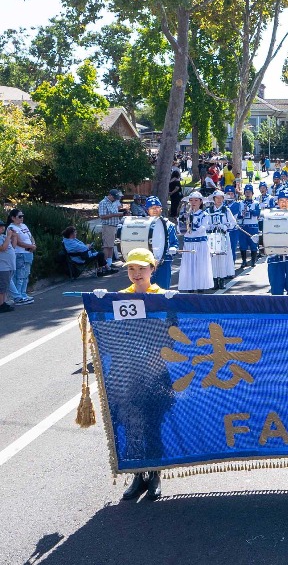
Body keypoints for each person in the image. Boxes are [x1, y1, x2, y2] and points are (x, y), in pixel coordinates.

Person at [110, 247, 168, 500]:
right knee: (132, 424)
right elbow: (111, 334)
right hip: (128, 373)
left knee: (153, 423)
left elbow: (172, 337)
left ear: (152, 269)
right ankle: (137, 475)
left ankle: (154, 474)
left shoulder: (164, 297)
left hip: (156, 373)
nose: (136, 273)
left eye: (141, 268)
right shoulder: (119, 298)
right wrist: (98, 304)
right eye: (131, 269)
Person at [178, 191, 214, 293]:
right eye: (191, 200)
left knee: (200, 265)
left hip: (200, 243)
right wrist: (183, 223)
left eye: (196, 200)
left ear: (200, 202)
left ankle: (200, 285)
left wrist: (192, 222)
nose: (193, 202)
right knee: (189, 265)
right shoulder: (184, 214)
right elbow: (180, 229)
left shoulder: (204, 214)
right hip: (188, 243)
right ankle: (190, 285)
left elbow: (203, 228)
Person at [144, 196, 179, 289]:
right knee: (145, 290)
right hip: (146, 262)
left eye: (157, 207)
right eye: (152, 208)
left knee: (163, 290)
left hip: (164, 261)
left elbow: (174, 242)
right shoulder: (143, 224)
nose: (154, 210)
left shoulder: (169, 225)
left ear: (161, 209)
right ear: (148, 210)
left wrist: (173, 248)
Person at [206, 190, 237, 289]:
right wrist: (210, 227)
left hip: (223, 236)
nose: (219, 200)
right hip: (212, 237)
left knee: (223, 258)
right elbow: (205, 224)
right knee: (213, 258)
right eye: (217, 198)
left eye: (221, 198)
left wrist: (225, 226)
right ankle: (214, 280)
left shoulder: (226, 210)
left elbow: (233, 222)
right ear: (213, 199)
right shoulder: (208, 211)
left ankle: (222, 280)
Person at [6, 208, 37, 305]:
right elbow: (18, 242)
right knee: (19, 276)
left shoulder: (23, 225)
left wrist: (33, 244)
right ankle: (18, 296)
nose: (21, 218)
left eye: (22, 216)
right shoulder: (11, 228)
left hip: (28, 253)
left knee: (26, 275)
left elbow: (30, 236)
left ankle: (23, 294)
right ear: (13, 218)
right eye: (19, 216)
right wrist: (30, 246)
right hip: (20, 253)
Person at [98, 189, 127, 270]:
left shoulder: (113, 202)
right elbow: (102, 216)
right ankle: (104, 265)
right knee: (107, 246)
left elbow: (115, 212)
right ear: (110, 195)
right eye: (114, 197)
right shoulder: (103, 203)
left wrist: (121, 213)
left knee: (111, 246)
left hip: (114, 225)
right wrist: (115, 214)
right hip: (108, 226)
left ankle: (109, 263)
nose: (115, 199)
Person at [237, 184, 261, 268]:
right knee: (243, 244)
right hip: (243, 226)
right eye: (246, 192)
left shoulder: (256, 203)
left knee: (253, 244)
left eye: (249, 192)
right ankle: (244, 261)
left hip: (253, 226)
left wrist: (250, 210)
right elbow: (237, 215)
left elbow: (258, 213)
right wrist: (241, 214)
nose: (247, 194)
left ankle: (253, 261)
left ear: (252, 193)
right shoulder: (240, 203)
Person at [0, 220, 17, 312]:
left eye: (3, 226)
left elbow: (12, 247)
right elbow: (3, 248)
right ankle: (1, 304)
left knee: (5, 286)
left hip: (8, 266)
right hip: (2, 267)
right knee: (2, 286)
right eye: (0, 226)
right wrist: (9, 236)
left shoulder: (3, 236)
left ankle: (3, 302)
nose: (3, 228)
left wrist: (14, 237)